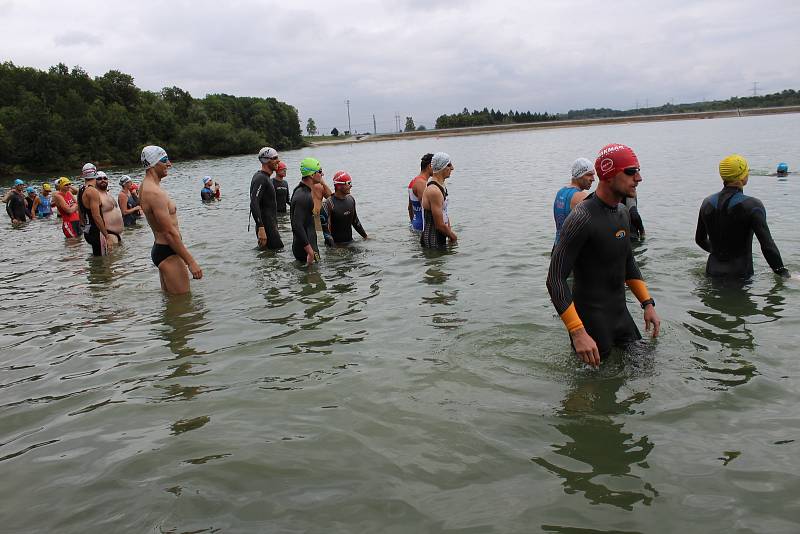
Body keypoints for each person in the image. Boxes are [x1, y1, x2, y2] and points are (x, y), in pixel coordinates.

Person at [547, 143, 660, 367]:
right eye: (630, 171)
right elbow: (555, 279)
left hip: (621, 315)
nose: (638, 178)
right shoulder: (581, 218)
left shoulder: (622, 213)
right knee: (594, 389)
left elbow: (628, 261)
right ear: (608, 175)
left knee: (650, 372)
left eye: (637, 170)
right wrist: (577, 332)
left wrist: (647, 304)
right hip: (590, 324)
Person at [695, 154, 790, 279]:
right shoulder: (753, 205)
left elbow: (700, 240)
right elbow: (768, 246)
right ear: (742, 177)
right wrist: (783, 273)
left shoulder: (707, 202)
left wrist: (720, 253)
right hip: (740, 277)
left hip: (711, 273)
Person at [139, 145, 203, 294]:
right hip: (169, 250)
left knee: (172, 305)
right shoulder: (155, 193)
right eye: (165, 160)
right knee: (183, 306)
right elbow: (168, 232)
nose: (169, 164)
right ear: (154, 164)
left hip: (162, 249)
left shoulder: (144, 187)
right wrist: (191, 262)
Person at [249, 147, 284, 249]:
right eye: (275, 158)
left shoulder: (266, 178)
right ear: (266, 160)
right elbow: (254, 202)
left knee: (271, 256)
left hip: (270, 225)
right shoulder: (260, 178)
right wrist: (261, 227)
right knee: (277, 251)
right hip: (266, 227)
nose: (278, 160)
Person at [420, 152, 457, 248]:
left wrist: (449, 231)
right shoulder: (434, 190)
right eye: (449, 165)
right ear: (442, 167)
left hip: (441, 237)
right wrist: (453, 237)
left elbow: (444, 212)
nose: (452, 168)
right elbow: (439, 225)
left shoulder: (440, 185)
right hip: (433, 242)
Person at [321, 171, 368, 246]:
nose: (351, 186)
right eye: (348, 183)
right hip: (335, 246)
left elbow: (355, 221)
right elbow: (326, 232)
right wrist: (334, 250)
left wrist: (366, 237)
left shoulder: (351, 199)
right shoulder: (328, 204)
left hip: (350, 243)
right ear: (339, 186)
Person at [553, 157, 595, 243]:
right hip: (572, 251)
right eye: (589, 174)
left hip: (557, 247)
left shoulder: (560, 192)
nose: (593, 179)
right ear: (579, 175)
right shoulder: (581, 197)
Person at [291, 157, 323, 265]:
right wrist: (309, 251)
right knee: (316, 277)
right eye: (320, 171)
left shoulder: (300, 190)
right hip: (306, 249)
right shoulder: (304, 196)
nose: (322, 174)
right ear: (312, 175)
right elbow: (296, 224)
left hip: (304, 245)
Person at [80, 170, 121, 256]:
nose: (103, 180)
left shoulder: (108, 194)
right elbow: (94, 215)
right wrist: (106, 236)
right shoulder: (94, 194)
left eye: (105, 178)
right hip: (107, 233)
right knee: (107, 264)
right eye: (99, 178)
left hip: (115, 234)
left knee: (116, 264)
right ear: (95, 179)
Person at [408, 153, 433, 232]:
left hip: (416, 225)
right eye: (436, 166)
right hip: (424, 228)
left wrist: (413, 223)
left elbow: (410, 208)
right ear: (430, 166)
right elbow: (426, 210)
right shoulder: (422, 183)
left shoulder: (413, 181)